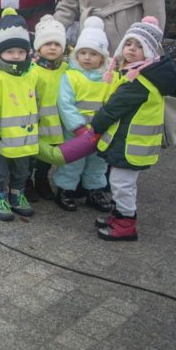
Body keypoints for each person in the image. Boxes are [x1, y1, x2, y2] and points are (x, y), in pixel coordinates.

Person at [89, 17, 176, 241]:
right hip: (129, 141)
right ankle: (118, 215)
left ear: (149, 52)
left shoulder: (138, 82)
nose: (131, 49)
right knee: (121, 182)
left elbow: (113, 109)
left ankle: (125, 225)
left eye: (139, 46)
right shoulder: (138, 73)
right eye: (129, 43)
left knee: (122, 184)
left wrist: (95, 126)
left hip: (131, 144)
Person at [0, 8, 40, 221]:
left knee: (22, 171)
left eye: (21, 51)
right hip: (0, 139)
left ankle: (17, 195)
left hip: (24, 138)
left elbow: (35, 102)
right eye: (10, 51)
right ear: (0, 51)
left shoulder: (30, 74)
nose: (16, 56)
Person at [54, 16, 112, 212]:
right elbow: (65, 103)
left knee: (98, 162)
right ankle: (65, 189)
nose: (87, 57)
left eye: (93, 54)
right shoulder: (71, 76)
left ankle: (94, 191)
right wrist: (78, 127)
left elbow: (111, 103)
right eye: (83, 53)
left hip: (100, 130)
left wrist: (103, 126)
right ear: (76, 55)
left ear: (102, 57)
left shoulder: (108, 78)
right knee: (73, 161)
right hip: (76, 131)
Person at [30, 15, 69, 200]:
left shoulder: (67, 69)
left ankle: (41, 179)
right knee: (31, 154)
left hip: (56, 122)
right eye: (47, 43)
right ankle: (25, 181)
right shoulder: (32, 69)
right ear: (38, 46)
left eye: (57, 44)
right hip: (36, 121)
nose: (52, 47)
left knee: (48, 155)